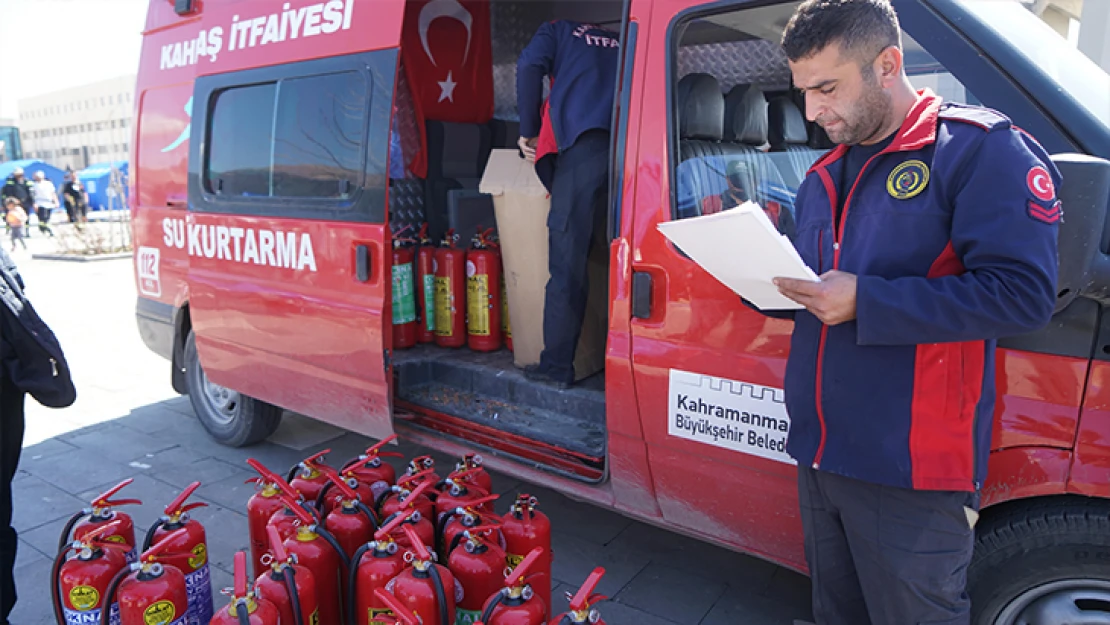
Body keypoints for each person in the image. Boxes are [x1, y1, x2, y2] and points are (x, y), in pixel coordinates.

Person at [767, 1, 1060, 623]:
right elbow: (815, 289)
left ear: (888, 64)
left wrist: (867, 301)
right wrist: (756, 278)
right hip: (820, 453)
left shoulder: (978, 151)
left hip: (911, 467)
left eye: (826, 88)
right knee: (836, 614)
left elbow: (1023, 294)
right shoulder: (820, 174)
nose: (813, 112)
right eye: (804, 92)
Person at [516, 20, 621, 389]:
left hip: (582, 149)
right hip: (630, 149)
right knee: (620, 262)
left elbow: (529, 66)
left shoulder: (556, 31)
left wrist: (527, 128)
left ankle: (556, 367)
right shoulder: (622, 37)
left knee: (567, 264)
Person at [699, 159, 797, 238]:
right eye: (737, 179)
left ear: (757, 181)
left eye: (748, 179)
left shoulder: (778, 210)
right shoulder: (708, 205)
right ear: (728, 180)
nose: (742, 184)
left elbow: (790, 246)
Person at [0, 169, 33, 237]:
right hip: (13, 203)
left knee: (26, 217)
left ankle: (27, 231)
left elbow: (31, 193)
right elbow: (7, 193)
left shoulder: (26, 181)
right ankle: (11, 231)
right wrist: (7, 202)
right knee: (12, 217)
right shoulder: (10, 182)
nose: (19, 176)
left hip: (25, 202)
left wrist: (32, 202)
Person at [30, 171, 57, 237]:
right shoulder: (34, 185)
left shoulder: (48, 184)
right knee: (43, 217)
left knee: (47, 217)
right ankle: (46, 229)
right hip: (40, 203)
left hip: (48, 202)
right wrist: (34, 203)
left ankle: (44, 228)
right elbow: (32, 195)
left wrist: (56, 201)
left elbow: (53, 193)